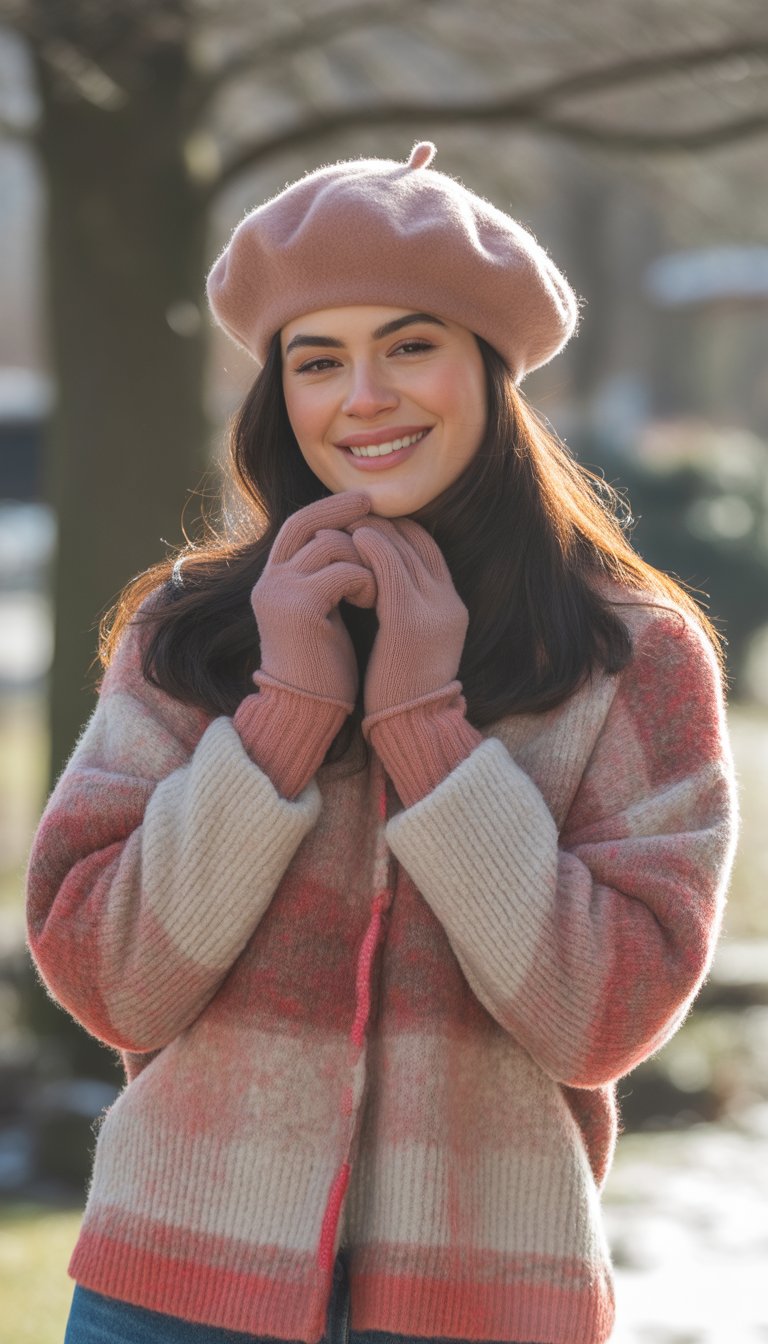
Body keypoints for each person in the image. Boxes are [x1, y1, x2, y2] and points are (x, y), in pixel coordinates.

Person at [26, 140, 737, 1344]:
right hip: (167, 1296)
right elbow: (110, 983)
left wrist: (428, 735)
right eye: (318, 361)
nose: (363, 396)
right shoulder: (190, 632)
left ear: (489, 369)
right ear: (281, 396)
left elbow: (602, 1022)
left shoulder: (636, 654)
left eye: (410, 346)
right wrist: (282, 716)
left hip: (486, 1305)